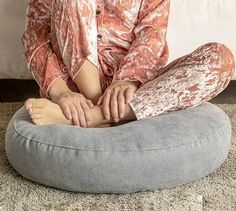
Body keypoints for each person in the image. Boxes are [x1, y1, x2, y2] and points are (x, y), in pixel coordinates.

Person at [22, 0, 235, 128]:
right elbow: (36, 38)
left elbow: (152, 36)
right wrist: (61, 92)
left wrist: (127, 81)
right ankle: (97, 102)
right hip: (73, 85)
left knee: (221, 59)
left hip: (133, 90)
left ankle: (94, 117)